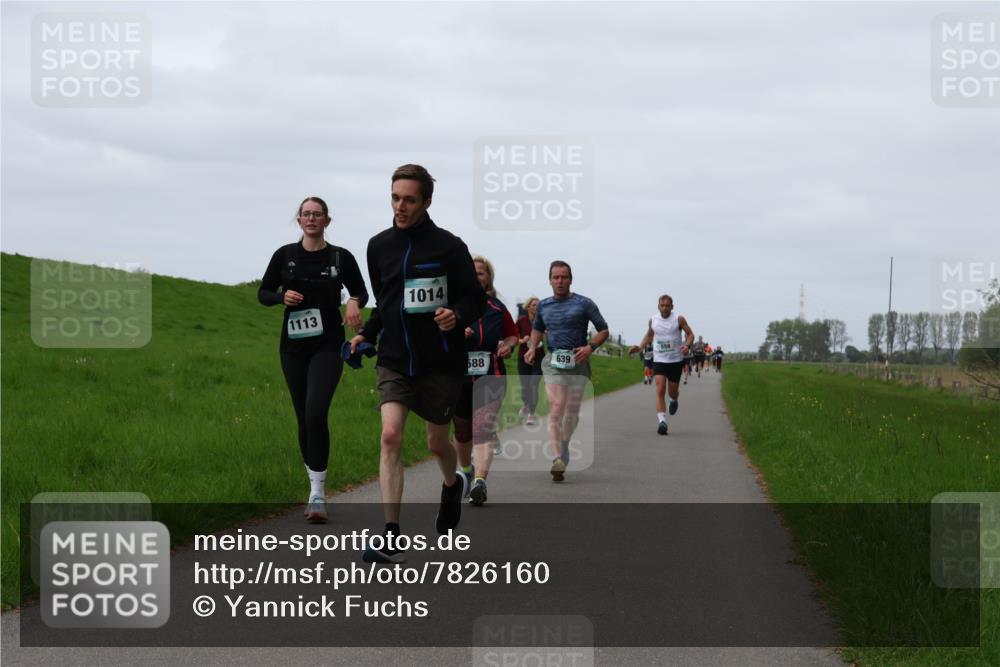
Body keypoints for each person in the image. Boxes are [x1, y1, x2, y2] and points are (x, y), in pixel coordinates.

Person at [349, 164, 487, 564]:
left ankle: (452, 483)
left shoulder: (449, 246)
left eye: (409, 199)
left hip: (440, 363)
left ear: (427, 201)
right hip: (394, 360)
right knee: (390, 436)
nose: (400, 207)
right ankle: (391, 534)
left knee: (435, 442)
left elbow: (473, 300)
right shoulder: (378, 246)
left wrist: (456, 315)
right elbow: (387, 302)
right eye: (395, 198)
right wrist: (367, 335)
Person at [258, 196, 368, 523]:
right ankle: (313, 486)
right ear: (299, 220)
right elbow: (263, 293)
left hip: (328, 344)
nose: (311, 219)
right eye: (306, 214)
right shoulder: (285, 256)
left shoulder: (340, 256)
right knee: (302, 416)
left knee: (315, 411)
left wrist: (353, 302)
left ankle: (318, 493)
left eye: (317, 214)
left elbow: (361, 290)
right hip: (292, 347)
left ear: (327, 221)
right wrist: (281, 297)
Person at [524, 261, 609, 482]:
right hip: (553, 360)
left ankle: (564, 443)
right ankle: (556, 459)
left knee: (571, 410)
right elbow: (537, 329)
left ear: (570, 279)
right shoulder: (543, 305)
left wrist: (590, 347)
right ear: (550, 280)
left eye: (563, 277)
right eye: (555, 277)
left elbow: (603, 330)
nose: (559, 281)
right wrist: (533, 348)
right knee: (556, 405)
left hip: (578, 361)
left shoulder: (584, 303)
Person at [455, 255, 519, 506]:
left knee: (483, 426)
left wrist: (508, 346)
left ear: (487, 279)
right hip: (458, 376)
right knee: (462, 430)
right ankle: (467, 471)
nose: (475, 276)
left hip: (491, 375)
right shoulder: (453, 306)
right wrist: (457, 332)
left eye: (480, 273)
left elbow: (513, 335)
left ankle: (480, 480)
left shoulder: (496, 308)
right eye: (471, 272)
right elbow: (435, 335)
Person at [629, 294, 694, 435]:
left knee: (672, 391)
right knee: (659, 389)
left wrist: (687, 345)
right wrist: (639, 347)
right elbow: (649, 335)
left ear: (672, 306)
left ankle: (674, 399)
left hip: (676, 360)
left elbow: (690, 334)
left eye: (667, 305)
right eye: (662, 305)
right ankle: (662, 421)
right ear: (658, 306)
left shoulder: (679, 319)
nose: (664, 308)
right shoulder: (653, 320)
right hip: (659, 359)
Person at [516, 297, 544, 428]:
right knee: (524, 387)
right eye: (534, 305)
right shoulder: (521, 321)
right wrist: (522, 340)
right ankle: (526, 405)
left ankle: (531, 414)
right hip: (523, 357)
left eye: (539, 305)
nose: (537, 307)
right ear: (528, 307)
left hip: (539, 358)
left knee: (533, 385)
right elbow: (513, 337)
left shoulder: (543, 320)